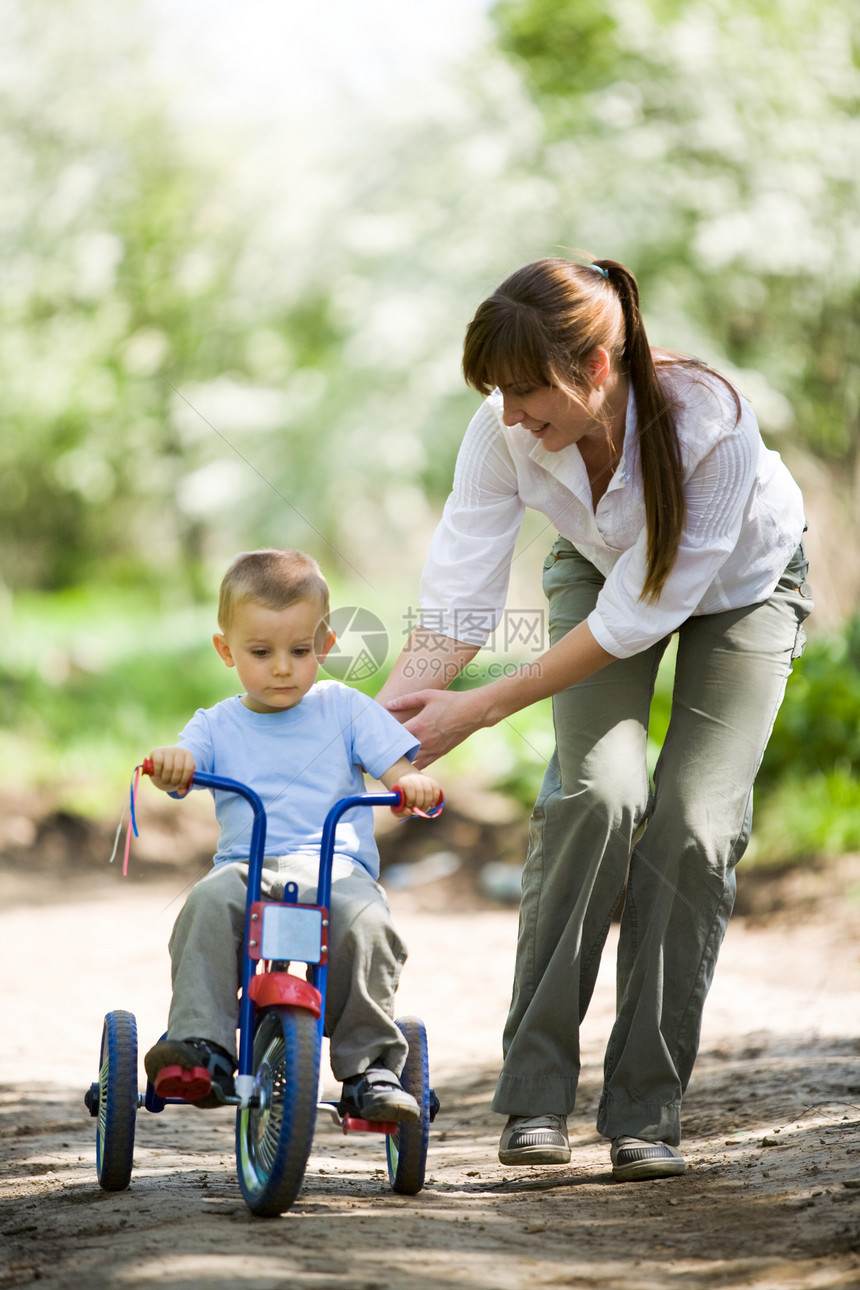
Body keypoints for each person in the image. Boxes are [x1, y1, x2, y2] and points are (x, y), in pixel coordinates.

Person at [377, 257, 812, 1179]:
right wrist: (383, 727)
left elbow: (641, 617)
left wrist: (485, 706)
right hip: (600, 571)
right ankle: (535, 1098)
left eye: (527, 390)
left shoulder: (711, 426)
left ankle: (643, 1112)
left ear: (600, 368)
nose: (508, 413)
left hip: (743, 591)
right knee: (598, 791)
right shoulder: (503, 434)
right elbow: (459, 601)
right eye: (496, 390)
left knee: (694, 823)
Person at [143, 547, 442, 1122]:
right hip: (246, 868)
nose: (282, 667)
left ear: (325, 646)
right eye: (261, 652)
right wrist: (174, 762)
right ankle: (201, 1045)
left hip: (336, 868)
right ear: (226, 651)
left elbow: (397, 769)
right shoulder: (216, 723)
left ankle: (371, 1068)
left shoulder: (346, 710)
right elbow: (185, 757)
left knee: (368, 921)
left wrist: (413, 783)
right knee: (205, 903)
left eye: (299, 650)